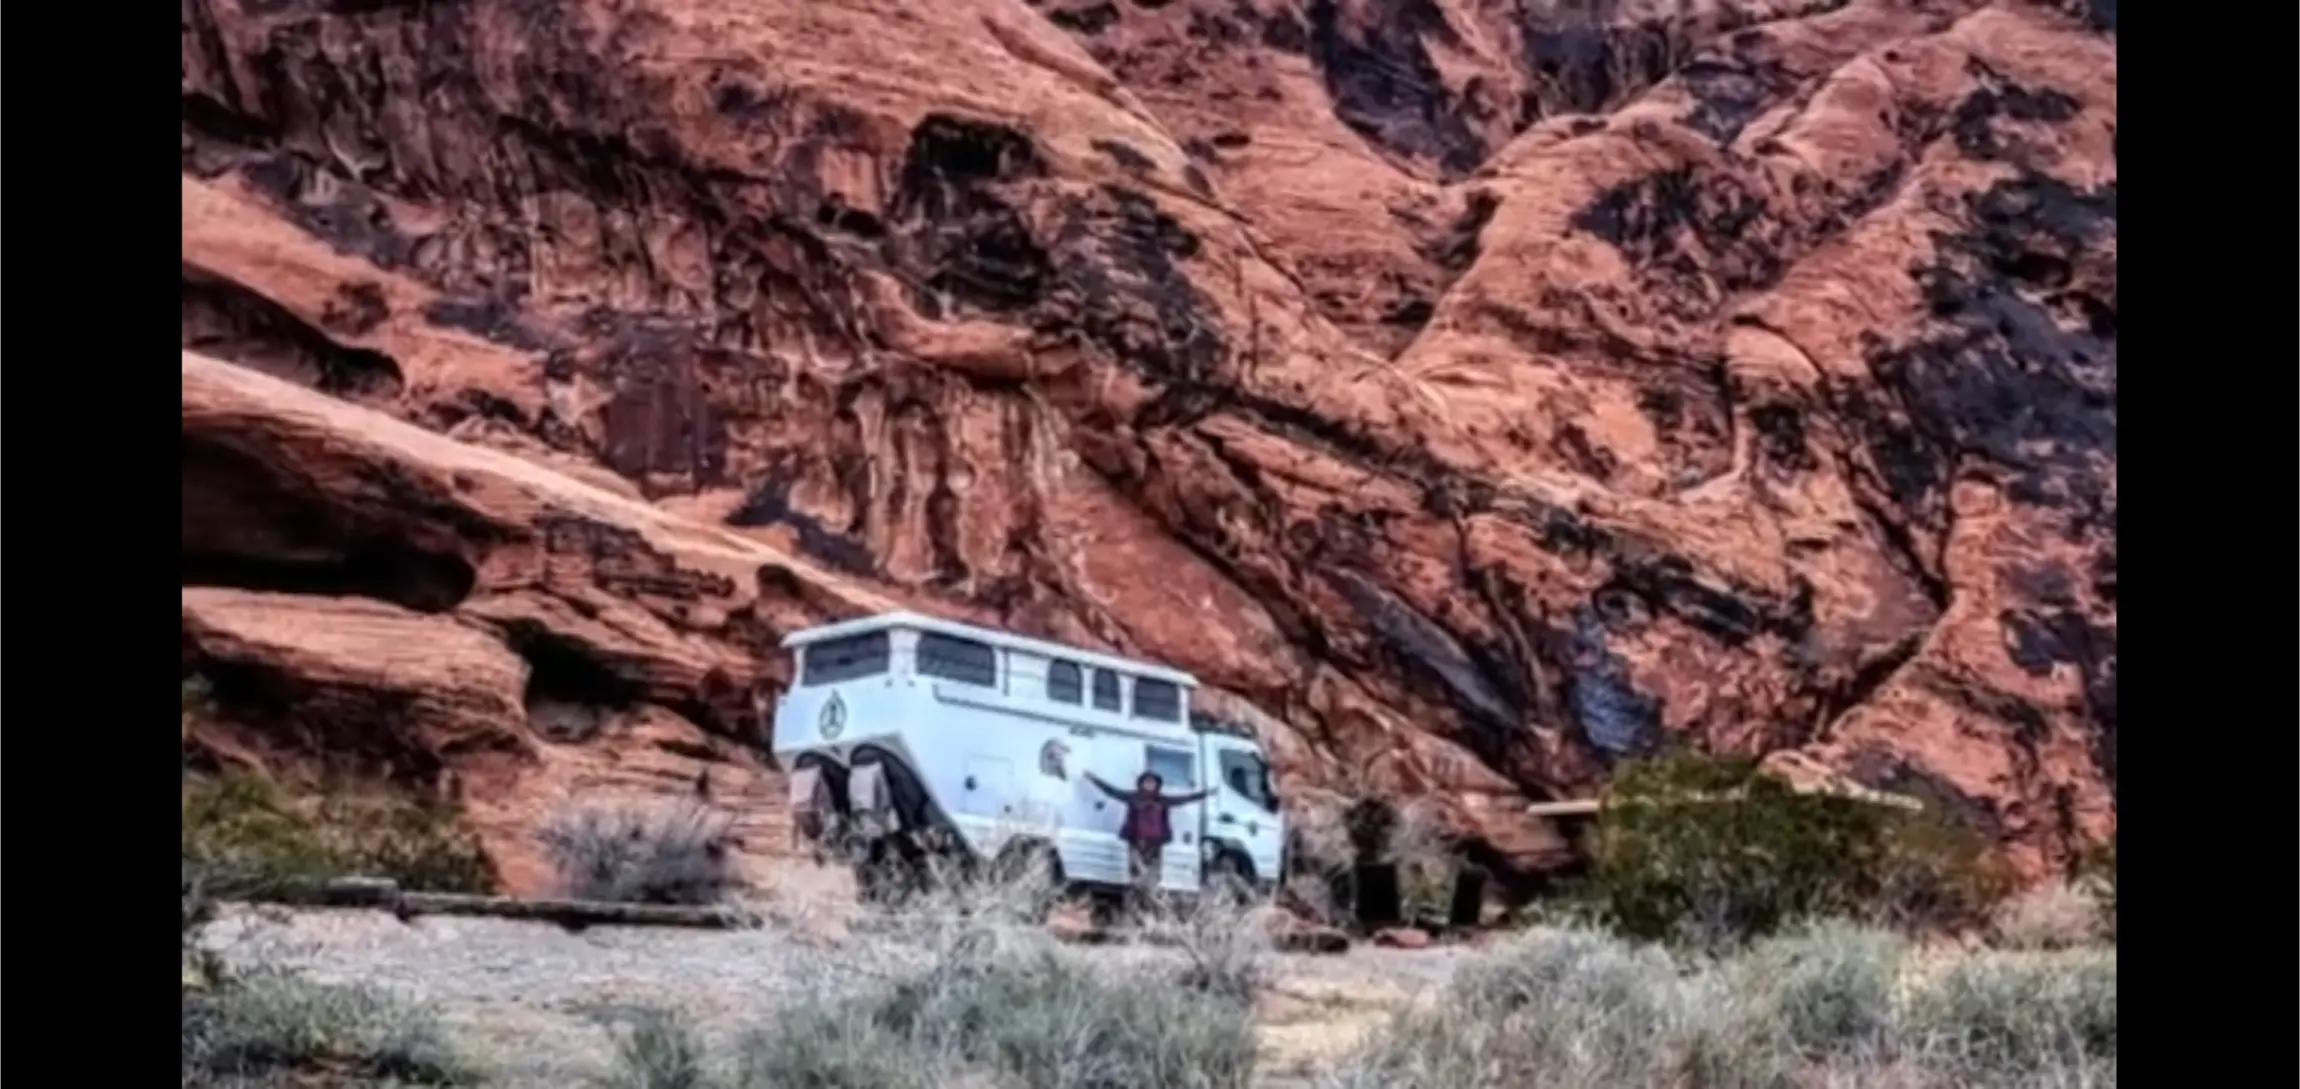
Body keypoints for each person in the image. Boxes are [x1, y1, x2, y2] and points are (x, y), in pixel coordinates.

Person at [1084, 771, 1213, 909]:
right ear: (1141, 783)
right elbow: (1112, 791)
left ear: (1157, 785)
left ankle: (1147, 908)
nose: (1149, 785)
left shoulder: (1162, 800)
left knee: (1153, 878)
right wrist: (1093, 779)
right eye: (1147, 782)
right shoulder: (1133, 797)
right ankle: (1132, 907)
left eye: (1152, 782)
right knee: (1135, 877)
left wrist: (1204, 794)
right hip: (1136, 843)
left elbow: (1184, 799)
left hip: (1155, 845)